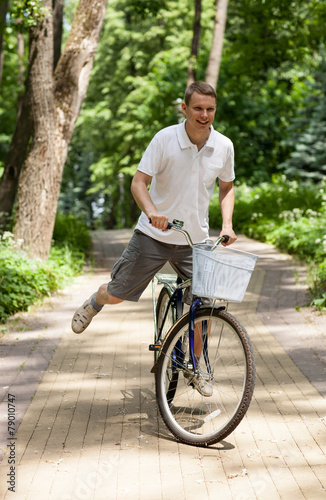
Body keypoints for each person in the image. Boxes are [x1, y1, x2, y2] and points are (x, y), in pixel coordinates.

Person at [71, 81, 237, 396]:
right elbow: (138, 183)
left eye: (210, 109)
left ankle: (198, 366)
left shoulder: (223, 146)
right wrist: (151, 212)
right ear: (185, 109)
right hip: (154, 235)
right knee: (117, 293)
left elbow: (227, 186)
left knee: (204, 305)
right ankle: (95, 301)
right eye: (198, 108)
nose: (204, 115)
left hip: (195, 240)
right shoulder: (165, 139)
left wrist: (227, 224)